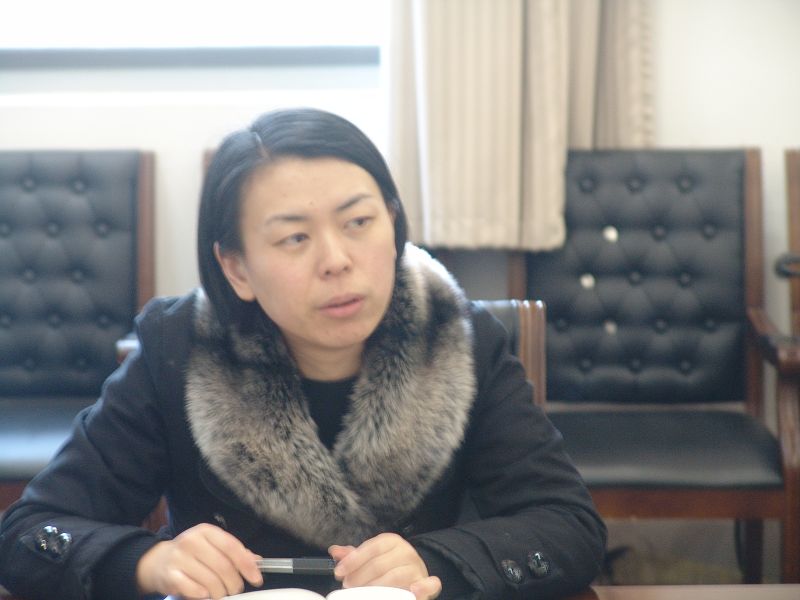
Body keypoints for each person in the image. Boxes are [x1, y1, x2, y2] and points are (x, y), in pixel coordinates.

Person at [0, 108, 606, 600]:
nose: (336, 260)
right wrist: (149, 563)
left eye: (359, 222)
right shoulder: (179, 351)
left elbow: (569, 525)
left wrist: (436, 560)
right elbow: (28, 534)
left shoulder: (458, 339)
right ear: (236, 268)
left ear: (394, 223)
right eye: (294, 237)